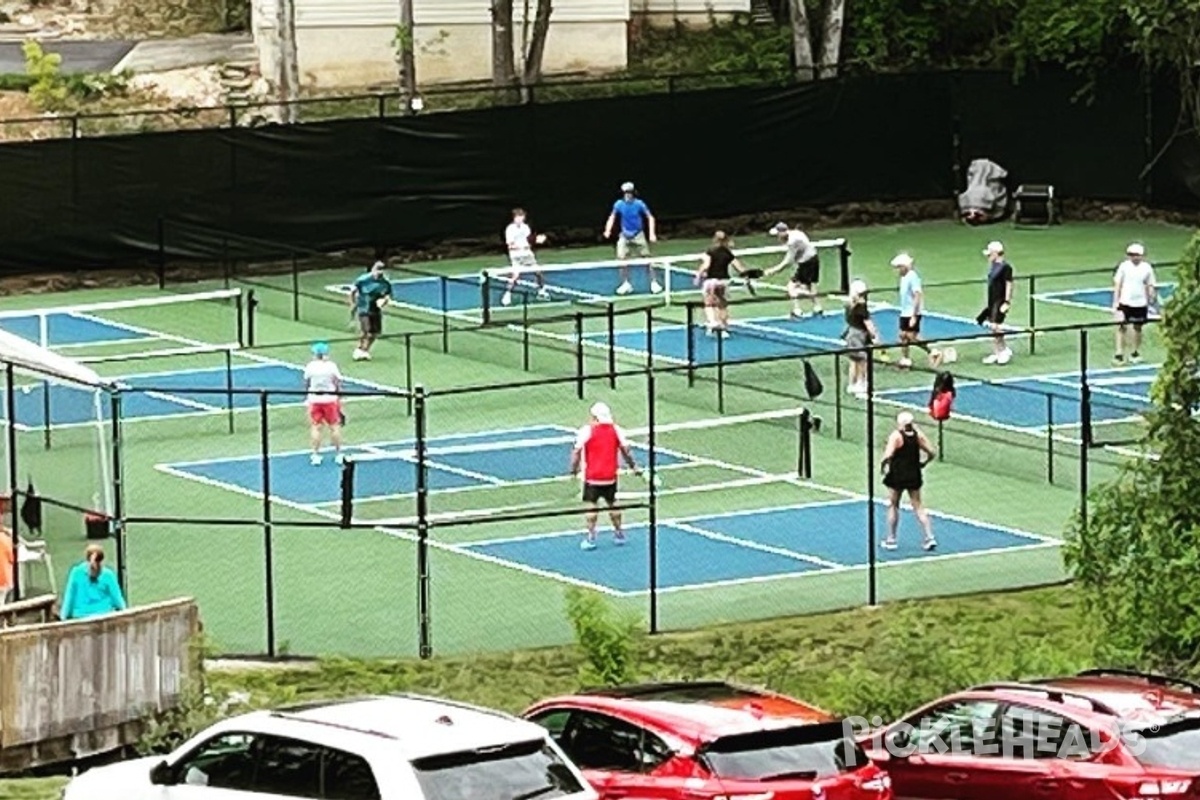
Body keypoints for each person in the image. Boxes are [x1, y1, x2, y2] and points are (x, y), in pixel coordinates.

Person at [570, 402, 640, 551]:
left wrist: (573, 469)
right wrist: (633, 466)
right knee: (612, 502)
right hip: (610, 476)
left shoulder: (586, 431)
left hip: (592, 476)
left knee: (591, 505)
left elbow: (576, 452)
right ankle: (619, 533)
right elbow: (626, 451)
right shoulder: (616, 430)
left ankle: (591, 537)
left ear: (595, 417)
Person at [879, 411, 937, 551]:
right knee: (918, 505)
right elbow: (932, 452)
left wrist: (883, 466)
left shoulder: (896, 436)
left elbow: (888, 455)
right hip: (913, 474)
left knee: (893, 504)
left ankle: (891, 539)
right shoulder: (918, 435)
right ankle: (929, 537)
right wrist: (924, 463)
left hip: (897, 475)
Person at [603, 181, 661, 296]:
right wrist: (607, 230)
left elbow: (650, 217)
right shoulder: (618, 204)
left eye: (630, 192)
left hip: (638, 235)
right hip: (624, 235)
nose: (628, 194)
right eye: (626, 192)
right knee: (621, 259)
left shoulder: (639, 204)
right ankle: (626, 284)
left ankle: (654, 283)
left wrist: (652, 233)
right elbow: (612, 217)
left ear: (633, 193)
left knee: (647, 259)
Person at [694, 231, 752, 337]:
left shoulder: (710, 251)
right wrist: (747, 275)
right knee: (722, 305)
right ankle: (724, 328)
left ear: (714, 239)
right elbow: (739, 267)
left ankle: (712, 323)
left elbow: (706, 265)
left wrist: (698, 275)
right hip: (724, 282)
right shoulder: (728, 253)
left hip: (711, 281)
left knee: (708, 303)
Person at [891, 253, 942, 369]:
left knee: (912, 336)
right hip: (905, 311)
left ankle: (933, 351)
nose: (897, 270)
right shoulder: (903, 278)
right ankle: (905, 359)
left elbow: (917, 295)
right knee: (903, 335)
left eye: (899, 267)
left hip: (911, 312)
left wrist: (914, 315)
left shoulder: (912, 277)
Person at [764, 222, 822, 318]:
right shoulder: (796, 233)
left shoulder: (793, 241)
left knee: (791, 287)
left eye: (778, 234)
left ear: (783, 233)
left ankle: (797, 311)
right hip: (813, 259)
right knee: (809, 286)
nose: (777, 237)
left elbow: (788, 261)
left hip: (807, 263)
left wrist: (773, 270)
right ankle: (817, 307)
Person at [1112, 242, 1157, 365]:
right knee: (1121, 326)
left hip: (1140, 303)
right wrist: (1116, 302)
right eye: (1131, 255)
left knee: (1138, 328)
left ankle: (1135, 352)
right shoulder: (1124, 266)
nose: (1134, 257)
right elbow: (1118, 284)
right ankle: (1119, 353)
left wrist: (1151, 297)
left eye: (1136, 255)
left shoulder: (1147, 268)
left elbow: (1150, 284)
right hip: (1125, 301)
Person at [60, 544, 126, 621]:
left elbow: (69, 600)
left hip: (82, 619)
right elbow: (118, 601)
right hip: (103, 618)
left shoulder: (75, 573)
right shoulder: (108, 575)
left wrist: (63, 619)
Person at [304, 341, 344, 466]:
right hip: (330, 399)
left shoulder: (310, 366)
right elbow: (337, 382)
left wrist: (308, 396)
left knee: (316, 427)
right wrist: (339, 397)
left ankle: (315, 455)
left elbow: (307, 382)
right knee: (334, 427)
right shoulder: (331, 366)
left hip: (315, 400)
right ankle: (338, 454)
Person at [501, 207, 549, 307]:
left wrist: (536, 240)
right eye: (518, 217)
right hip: (516, 255)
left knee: (538, 272)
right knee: (515, 276)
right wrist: (520, 247)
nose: (520, 219)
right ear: (514, 218)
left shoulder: (525, 227)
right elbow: (510, 245)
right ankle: (507, 295)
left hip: (527, 254)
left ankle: (542, 290)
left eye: (522, 217)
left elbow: (529, 240)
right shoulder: (510, 229)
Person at [976, 241, 1014, 366]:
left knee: (996, 326)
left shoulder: (1006, 267)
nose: (988, 257)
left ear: (996, 253)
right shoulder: (993, 266)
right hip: (992, 300)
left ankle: (1002, 351)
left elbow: (1009, 284)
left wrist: (1007, 302)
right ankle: (998, 351)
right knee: (993, 326)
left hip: (1000, 300)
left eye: (990, 254)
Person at [843, 279, 881, 398]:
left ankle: (851, 384)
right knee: (863, 360)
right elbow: (868, 323)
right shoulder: (861, 307)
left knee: (854, 360)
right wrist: (875, 336)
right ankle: (861, 383)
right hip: (858, 335)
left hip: (851, 333)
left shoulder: (849, 305)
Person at [349, 260, 393, 361]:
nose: (379, 272)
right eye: (378, 269)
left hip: (376, 310)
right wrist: (353, 303)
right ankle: (359, 348)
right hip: (364, 308)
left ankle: (365, 350)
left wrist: (384, 302)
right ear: (373, 269)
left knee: (375, 332)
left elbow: (387, 296)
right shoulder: (363, 280)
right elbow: (352, 291)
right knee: (366, 330)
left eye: (382, 270)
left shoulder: (385, 283)